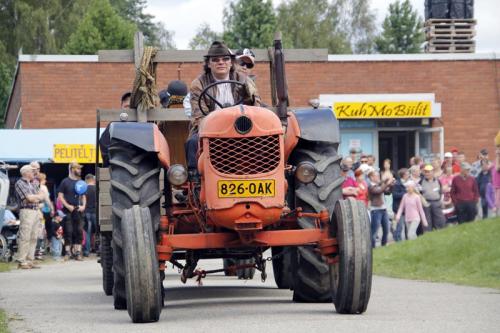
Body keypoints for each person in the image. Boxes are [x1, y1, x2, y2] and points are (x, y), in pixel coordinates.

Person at [186, 41, 261, 174]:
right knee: (192, 143)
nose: (221, 62)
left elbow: (256, 107)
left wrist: (250, 97)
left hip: (241, 128)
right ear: (209, 64)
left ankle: (260, 176)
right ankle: (195, 180)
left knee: (262, 142)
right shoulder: (198, 84)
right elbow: (199, 115)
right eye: (215, 60)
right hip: (210, 129)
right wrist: (212, 129)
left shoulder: (243, 80)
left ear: (231, 62)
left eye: (225, 59)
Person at [13, 165, 45, 269]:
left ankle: (30, 260)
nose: (34, 173)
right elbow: (29, 198)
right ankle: (22, 260)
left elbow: (41, 196)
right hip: (26, 211)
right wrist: (35, 197)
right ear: (26, 173)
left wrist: (34, 198)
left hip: (35, 210)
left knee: (34, 236)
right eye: (32, 171)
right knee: (25, 236)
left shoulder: (34, 183)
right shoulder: (19, 183)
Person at [58, 162, 86, 260]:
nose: (80, 170)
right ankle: (67, 253)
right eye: (78, 168)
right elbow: (60, 196)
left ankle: (78, 252)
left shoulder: (81, 182)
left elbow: (83, 196)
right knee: (68, 231)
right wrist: (67, 206)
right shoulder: (65, 182)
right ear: (72, 169)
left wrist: (83, 206)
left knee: (78, 231)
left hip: (78, 210)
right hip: (67, 210)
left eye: (80, 168)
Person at [99, 92, 131, 167]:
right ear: (121, 107)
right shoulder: (113, 126)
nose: (128, 109)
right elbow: (104, 145)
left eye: (131, 107)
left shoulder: (143, 126)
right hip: (116, 168)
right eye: (126, 106)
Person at [368, 170, 394, 248]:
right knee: (374, 231)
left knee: (386, 230)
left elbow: (388, 192)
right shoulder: (370, 186)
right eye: (376, 176)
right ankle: (372, 248)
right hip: (375, 210)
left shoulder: (379, 185)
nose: (378, 177)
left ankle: (384, 246)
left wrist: (391, 185)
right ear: (371, 177)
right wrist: (386, 183)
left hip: (383, 209)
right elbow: (379, 191)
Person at [420, 164, 446, 231]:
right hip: (426, 203)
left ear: (433, 172)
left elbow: (441, 192)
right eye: (425, 172)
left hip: (436, 202)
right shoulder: (420, 182)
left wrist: (441, 201)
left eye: (428, 172)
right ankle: (428, 234)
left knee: (439, 219)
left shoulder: (438, 181)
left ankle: (440, 232)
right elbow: (419, 193)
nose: (427, 173)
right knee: (427, 220)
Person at [392, 168, 409, 242]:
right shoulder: (397, 184)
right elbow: (395, 195)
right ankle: (398, 241)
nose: (409, 175)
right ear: (404, 175)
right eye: (408, 174)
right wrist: (405, 193)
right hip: (399, 208)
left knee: (407, 226)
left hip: (407, 208)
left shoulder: (408, 183)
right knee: (399, 226)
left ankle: (408, 240)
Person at [83, 174, 96, 257]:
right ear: (92, 180)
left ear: (86, 180)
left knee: (87, 233)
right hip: (95, 212)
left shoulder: (84, 189)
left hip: (86, 212)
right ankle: (98, 250)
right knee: (98, 232)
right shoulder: (97, 189)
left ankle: (87, 251)